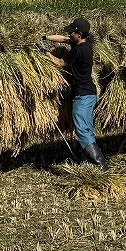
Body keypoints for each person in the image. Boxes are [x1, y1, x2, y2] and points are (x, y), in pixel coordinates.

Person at [42, 17, 105, 169]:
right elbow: (63, 39)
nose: (69, 34)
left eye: (72, 32)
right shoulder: (84, 44)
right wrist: (45, 37)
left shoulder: (79, 51)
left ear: (79, 34)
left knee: (82, 129)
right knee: (87, 128)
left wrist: (46, 53)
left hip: (82, 95)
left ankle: (100, 165)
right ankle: (88, 161)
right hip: (88, 93)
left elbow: (60, 63)